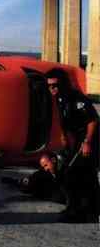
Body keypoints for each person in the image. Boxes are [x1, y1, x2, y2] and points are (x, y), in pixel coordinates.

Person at [45, 68, 100, 222]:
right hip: (78, 139)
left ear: (63, 84)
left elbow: (92, 120)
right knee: (82, 174)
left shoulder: (77, 98)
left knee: (73, 173)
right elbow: (63, 118)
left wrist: (87, 142)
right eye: (49, 86)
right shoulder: (60, 98)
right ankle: (82, 210)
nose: (52, 89)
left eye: (55, 85)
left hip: (90, 138)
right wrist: (63, 134)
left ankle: (82, 212)